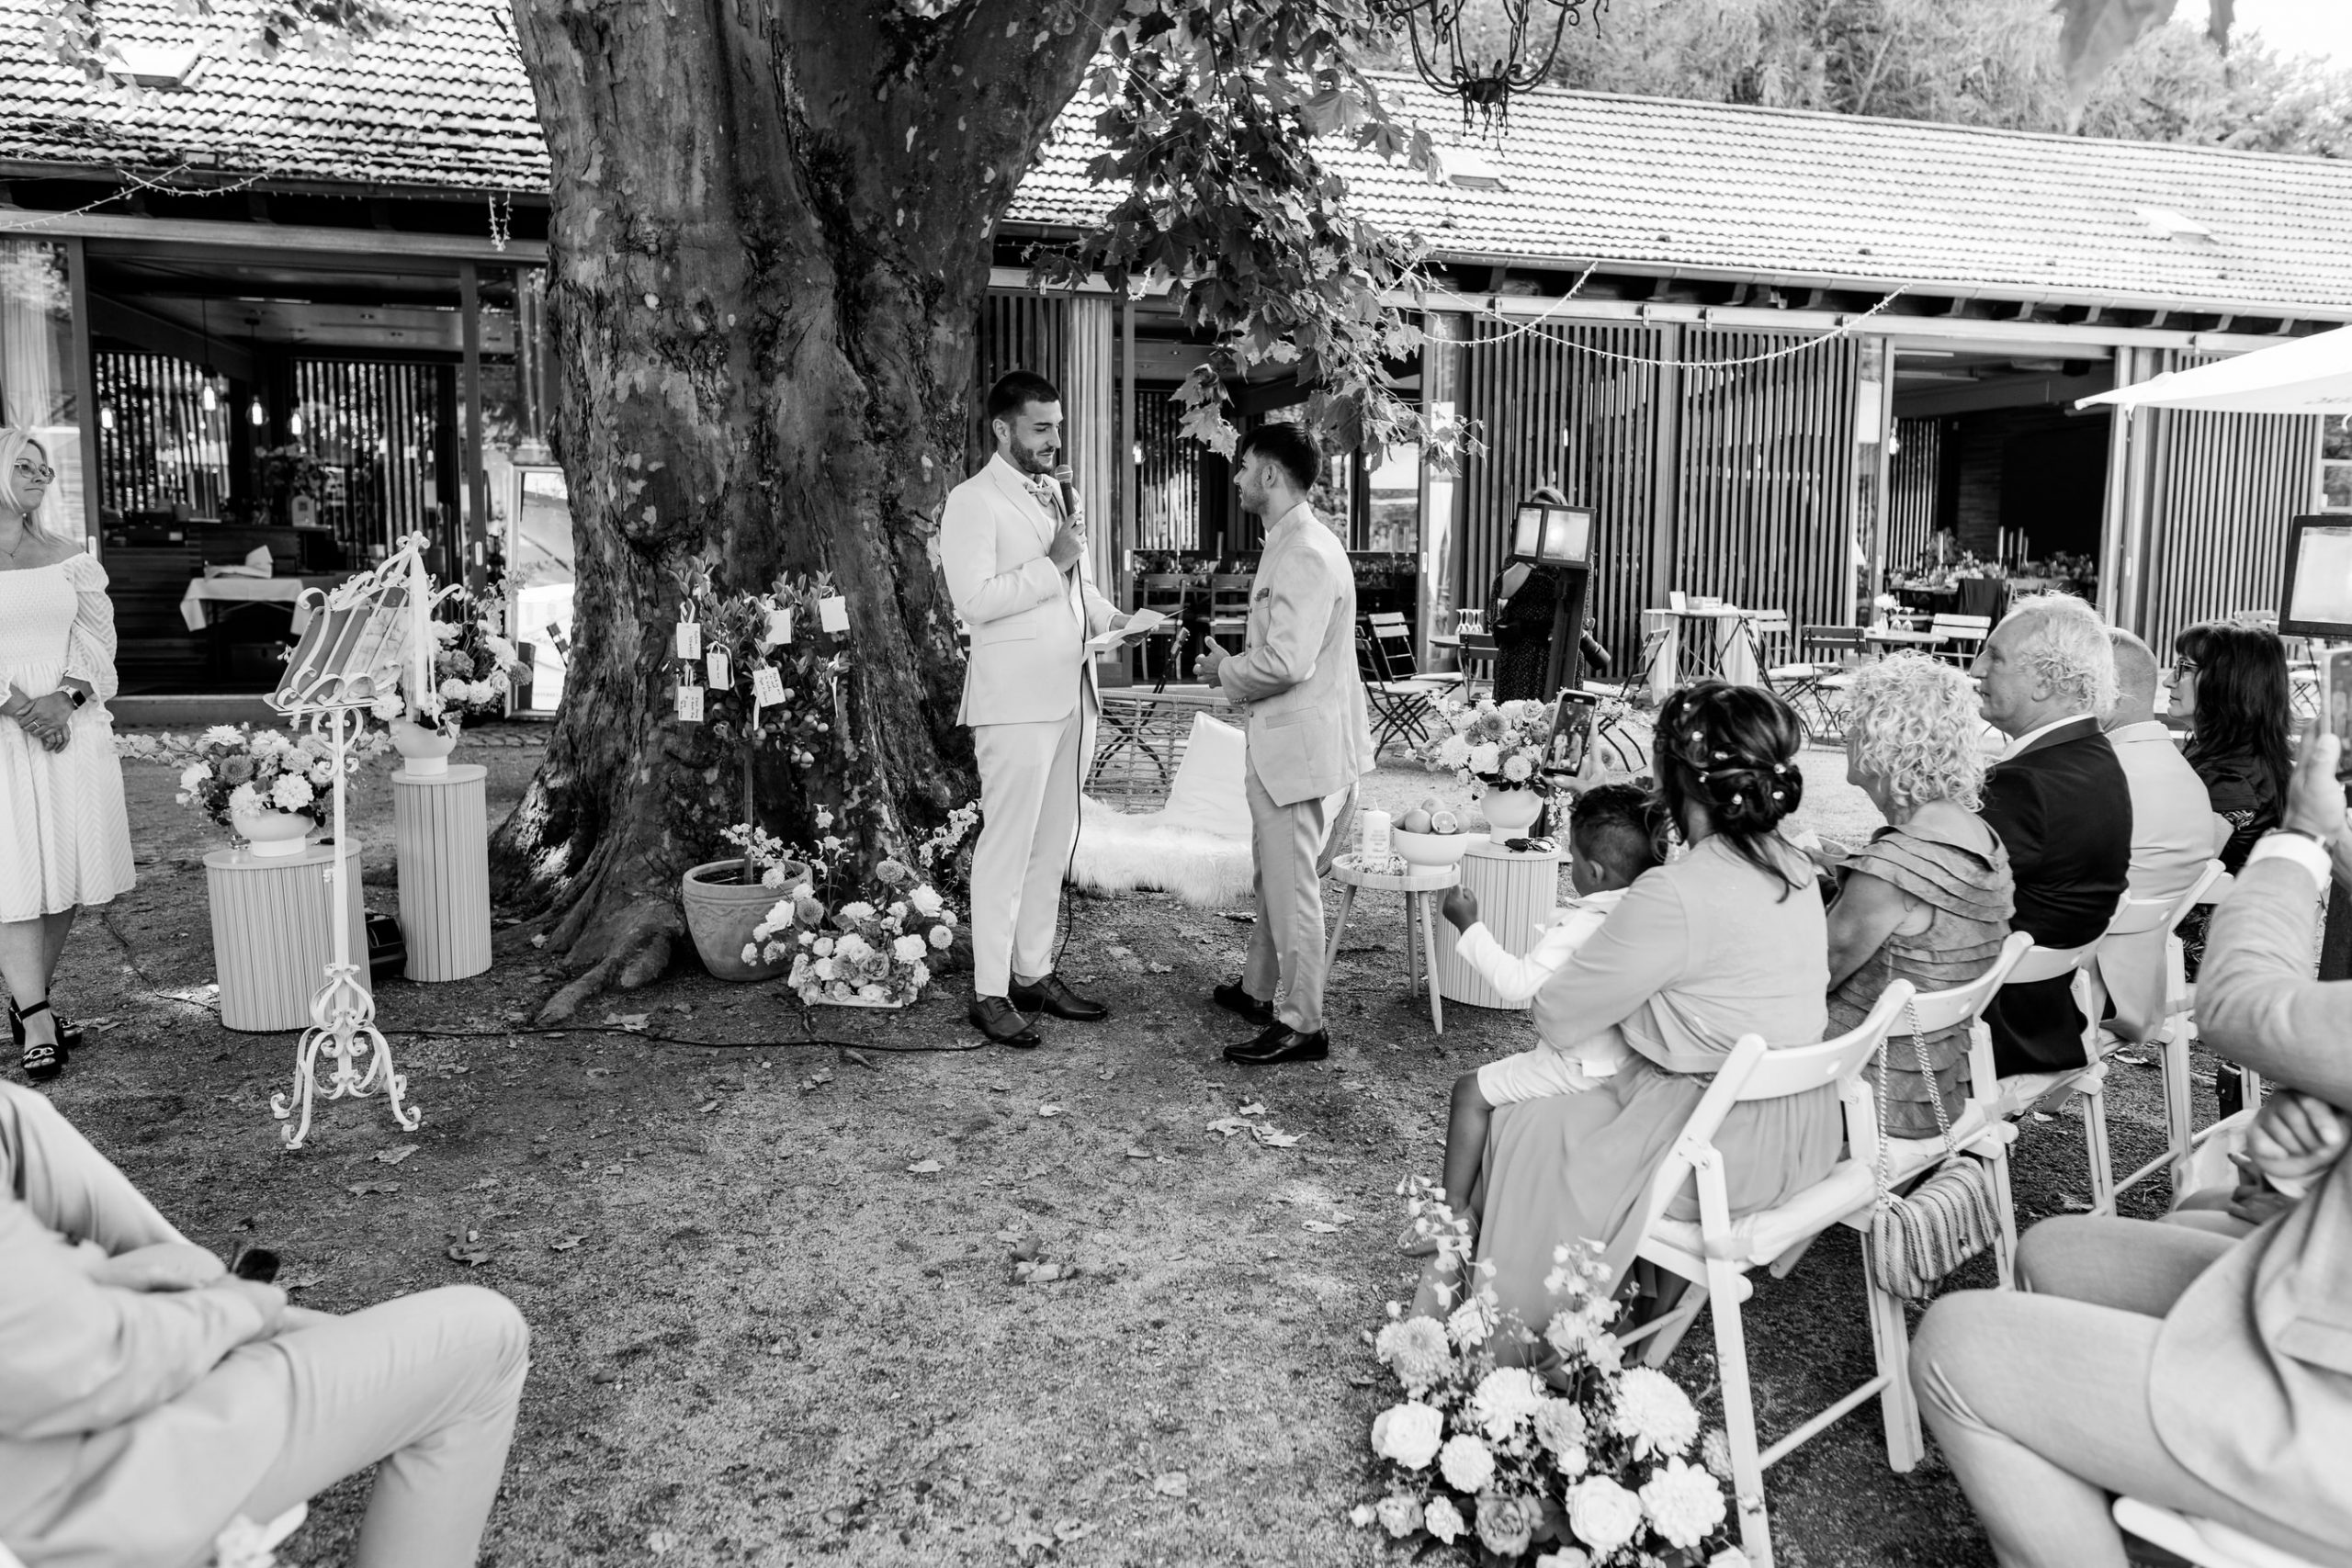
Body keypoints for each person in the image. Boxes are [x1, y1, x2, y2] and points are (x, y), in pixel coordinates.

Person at [1907, 725, 2352, 1568]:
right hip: (2309, 1284)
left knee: (1955, 1343)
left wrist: (2301, 838)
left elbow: (2241, 1005)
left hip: (2324, 1402)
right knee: (2055, 1248)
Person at [0, 1081, 529, 1567]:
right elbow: (83, 1360)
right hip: (59, 1500)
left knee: (15, 1115)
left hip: (59, 1390)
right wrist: (239, 1310)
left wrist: (200, 1293)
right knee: (485, 1340)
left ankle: (226, 1322)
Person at [1442, 682, 1832, 1331]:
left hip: (1718, 1147)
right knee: (1542, 1112)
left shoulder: (1673, 892)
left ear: (1675, 779)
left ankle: (1531, 1327)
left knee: (1524, 1127)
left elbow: (1556, 1015)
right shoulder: (1791, 865)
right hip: (1801, 1128)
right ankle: (1624, 1309)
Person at [940, 371, 1135, 1049]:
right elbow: (974, 599)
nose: (1055, 439)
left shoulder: (1057, 492)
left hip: (1073, 694)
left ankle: (1032, 972)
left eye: (1058, 426)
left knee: (1052, 845)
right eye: (1041, 427)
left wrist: (1120, 620)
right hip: (1015, 702)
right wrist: (1052, 564)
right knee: (1007, 846)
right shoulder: (971, 501)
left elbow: (1080, 588)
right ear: (1003, 429)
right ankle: (989, 991)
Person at [1419, 784, 1668, 1238]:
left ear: (1594, 872)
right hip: (1630, 1060)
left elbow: (1516, 983)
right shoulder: (1650, 910)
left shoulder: (1584, 924)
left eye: (1572, 857)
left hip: (1580, 1065)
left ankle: (1451, 1216)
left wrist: (1470, 926)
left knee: (1468, 1091)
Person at [1196, 423, 1372, 1066]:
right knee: (1273, 872)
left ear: (1270, 474)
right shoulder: (1292, 541)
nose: (1238, 477)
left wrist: (1226, 670)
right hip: (1285, 743)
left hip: (1297, 750)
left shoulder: (1305, 552)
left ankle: (1303, 1022)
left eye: (1244, 466)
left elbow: (1289, 662)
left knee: (1293, 885)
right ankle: (1258, 990)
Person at [1822, 655, 2015, 1137]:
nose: (1846, 736)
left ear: (1880, 740)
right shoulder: (1980, 836)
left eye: (1854, 724)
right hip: (1938, 1084)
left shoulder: (1893, 869)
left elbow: (1812, 976)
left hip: (1861, 1095)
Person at [0, 431, 135, 1083]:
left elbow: (98, 643)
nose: (39, 476)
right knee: (13, 874)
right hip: (5, 733)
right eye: (23, 466)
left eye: (45, 469)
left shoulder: (69, 557)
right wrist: (22, 708)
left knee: (65, 872)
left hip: (69, 730)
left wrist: (64, 699)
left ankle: (31, 1004)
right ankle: (35, 1018)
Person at [1969, 593, 2132, 1075]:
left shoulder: (2026, 783)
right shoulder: (2093, 754)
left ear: (2045, 681)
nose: (1977, 669)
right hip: (2045, 1012)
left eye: (1995, 656)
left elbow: (1927, 892)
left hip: (1992, 1027)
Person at [2098, 627, 2227, 1039]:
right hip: (2145, 973)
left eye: (2185, 668)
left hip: (2096, 984)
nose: (2170, 680)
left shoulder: (2105, 775)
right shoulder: (2182, 768)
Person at [2167, 620, 2292, 987]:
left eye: (2185, 668)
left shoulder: (2229, 777)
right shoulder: (2244, 756)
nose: (2169, 681)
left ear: (2229, 683)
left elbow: (2176, 878)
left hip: (2203, 955)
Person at [1487, 487, 1568, 702]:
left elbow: (1579, 602)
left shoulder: (1573, 551)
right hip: (1519, 650)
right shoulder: (1521, 550)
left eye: (1550, 513)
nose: (1544, 520)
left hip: (1556, 650)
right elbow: (1504, 590)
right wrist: (1531, 554)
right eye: (1537, 513)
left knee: (1553, 713)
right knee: (1514, 714)